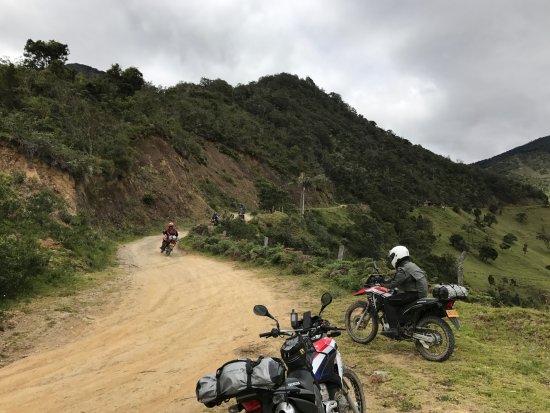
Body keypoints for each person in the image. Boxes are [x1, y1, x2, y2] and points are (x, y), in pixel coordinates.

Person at [382, 245, 428, 337]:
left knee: (388, 301)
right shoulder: (411, 265)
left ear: (397, 256)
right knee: (398, 298)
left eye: (392, 257)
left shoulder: (404, 268)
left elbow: (394, 284)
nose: (391, 259)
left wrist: (381, 285)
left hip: (415, 294)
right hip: (420, 293)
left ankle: (393, 329)